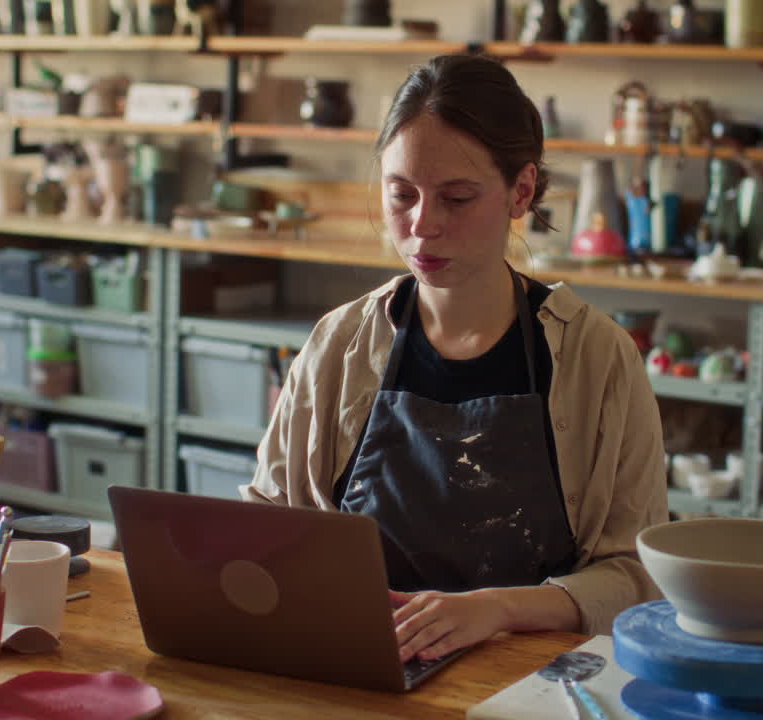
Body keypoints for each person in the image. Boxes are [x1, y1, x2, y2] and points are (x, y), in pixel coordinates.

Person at [245, 53, 667, 664]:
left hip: (532, 683)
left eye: (458, 198)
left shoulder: (595, 358)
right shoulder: (339, 344)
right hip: (363, 668)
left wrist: (498, 608)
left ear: (521, 191)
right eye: (401, 196)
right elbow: (267, 522)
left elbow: (635, 577)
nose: (422, 227)